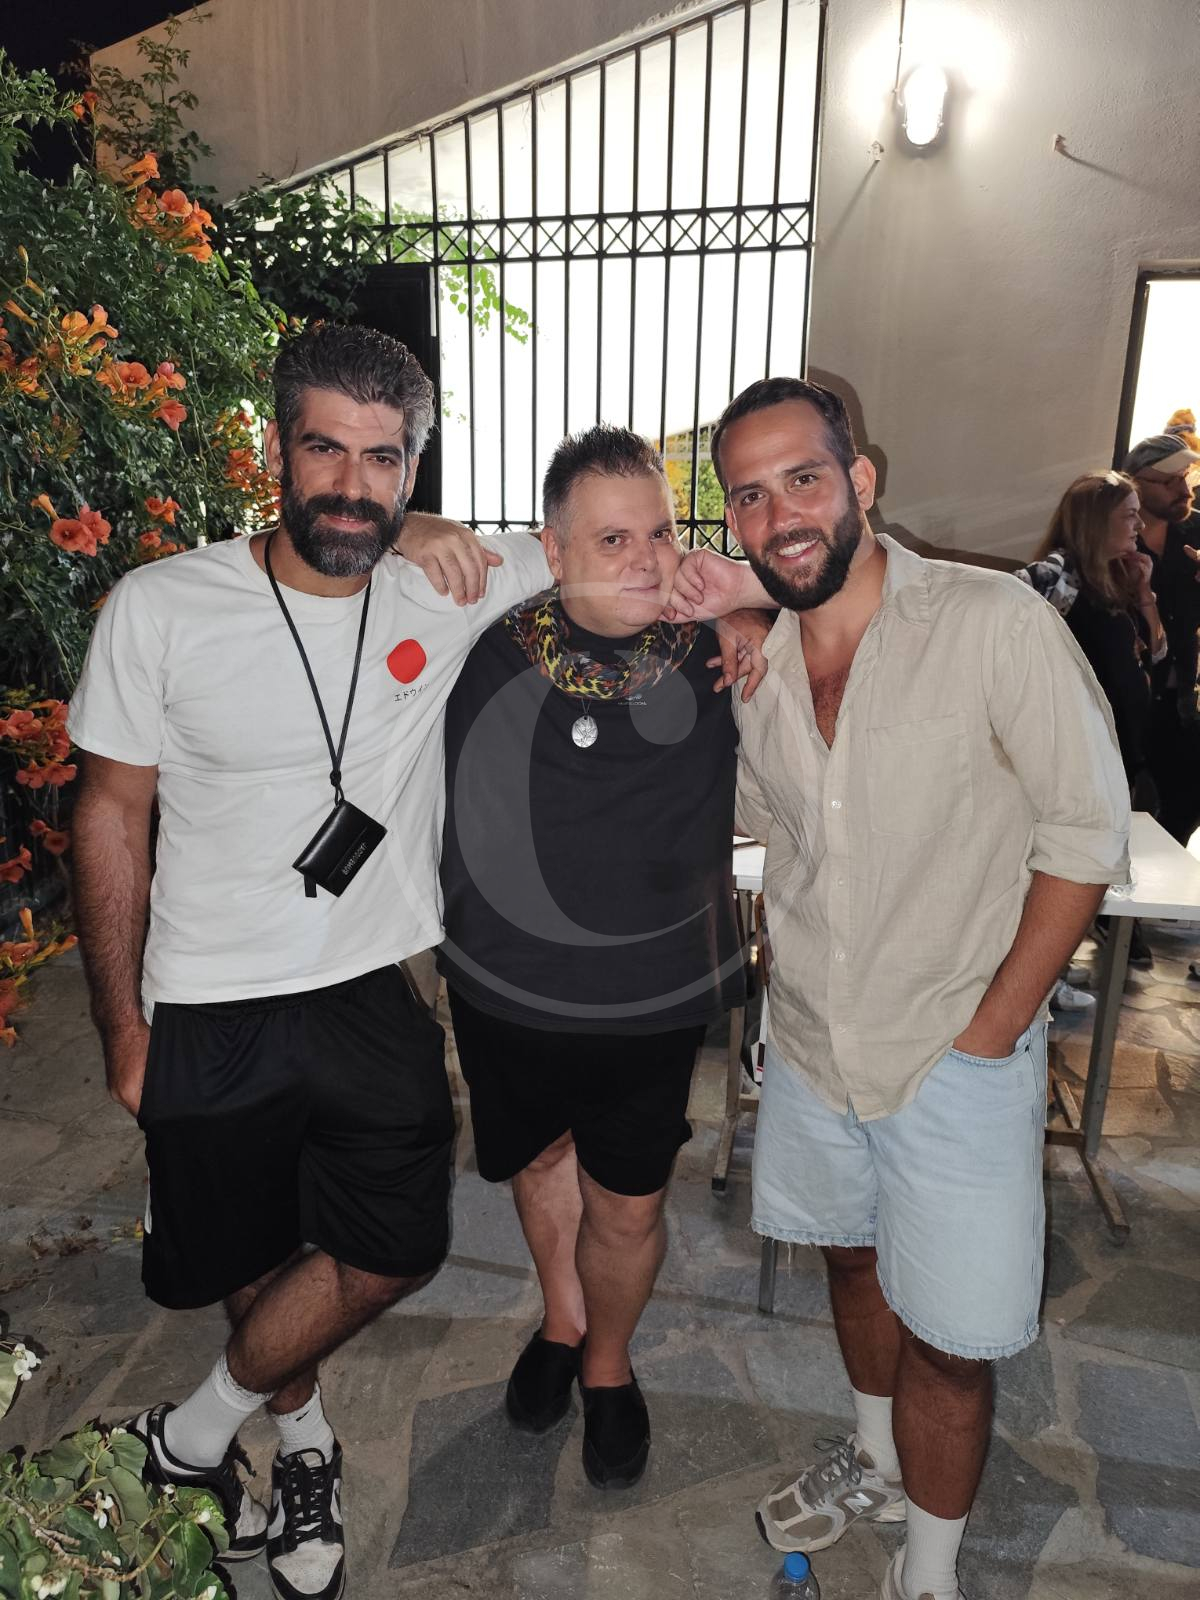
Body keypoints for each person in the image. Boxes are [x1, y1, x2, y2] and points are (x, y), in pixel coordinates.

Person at [68, 322, 554, 1600]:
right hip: (207, 994)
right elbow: (110, 815)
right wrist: (125, 1029)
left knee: (395, 1241)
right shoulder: (163, 606)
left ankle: (194, 1430)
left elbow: (615, 548)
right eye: (325, 450)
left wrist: (745, 621)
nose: (351, 485)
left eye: (383, 459)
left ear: (414, 466)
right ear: (276, 448)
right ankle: (305, 1443)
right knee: (248, 1258)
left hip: (369, 982)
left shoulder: (445, 581)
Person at [665, 377, 1130, 1600]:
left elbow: (1084, 836)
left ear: (861, 480)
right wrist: (731, 627)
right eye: (748, 496)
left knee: (955, 1341)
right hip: (816, 1044)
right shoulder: (763, 661)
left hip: (953, 1055)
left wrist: (992, 1030)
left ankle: (929, 1573)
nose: (779, 515)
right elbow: (776, 828)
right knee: (852, 1261)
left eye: (803, 479)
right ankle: (873, 1458)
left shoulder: (990, 624)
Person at [438, 424, 765, 1490]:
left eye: (659, 532)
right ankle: (564, 1320)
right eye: (611, 538)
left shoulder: (715, 652)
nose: (643, 559)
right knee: (540, 1163)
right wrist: (414, 527)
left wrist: (748, 605)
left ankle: (609, 1365)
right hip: (504, 987)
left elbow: (847, 587)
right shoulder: (479, 642)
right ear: (553, 548)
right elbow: (349, 555)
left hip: (650, 999)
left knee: (627, 1201)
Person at [1123, 431, 1200, 848]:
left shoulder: (1196, 529)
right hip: (1121, 696)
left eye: (1185, 477)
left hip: (1179, 695)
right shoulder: (1111, 534)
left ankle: (1164, 872)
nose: (1183, 490)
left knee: (1187, 796)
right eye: (1168, 481)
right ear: (1135, 482)